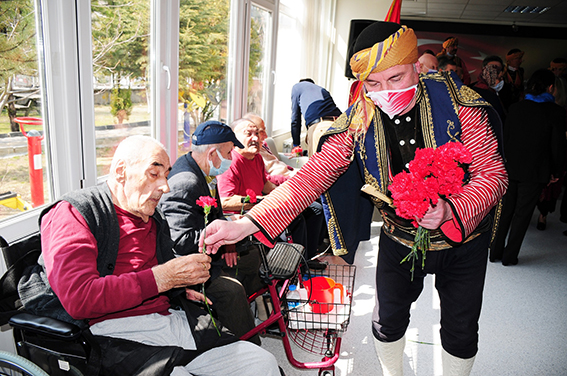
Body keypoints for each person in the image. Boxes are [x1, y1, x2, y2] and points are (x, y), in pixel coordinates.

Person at [202, 21, 507, 376]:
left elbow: (493, 175)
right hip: (400, 238)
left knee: (461, 330)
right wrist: (246, 224)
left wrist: (451, 208)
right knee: (387, 322)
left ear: (417, 68)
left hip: (464, 241)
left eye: (396, 78)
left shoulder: (459, 104)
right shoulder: (359, 117)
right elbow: (312, 176)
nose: (386, 91)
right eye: (373, 83)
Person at [32, 135, 279, 375]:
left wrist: (178, 286)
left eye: (166, 174)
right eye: (154, 173)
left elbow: (151, 267)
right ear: (121, 171)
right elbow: (80, 298)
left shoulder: (150, 215)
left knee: (261, 362)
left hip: (170, 319)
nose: (165, 186)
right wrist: (163, 279)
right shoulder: (74, 213)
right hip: (115, 333)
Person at [158, 120, 261, 345]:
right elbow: (180, 241)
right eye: (228, 152)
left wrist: (231, 240)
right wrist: (224, 241)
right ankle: (248, 345)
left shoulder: (203, 171)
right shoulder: (185, 182)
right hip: (188, 265)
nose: (232, 158)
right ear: (213, 153)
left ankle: (247, 316)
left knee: (253, 255)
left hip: (208, 250)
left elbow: (214, 217)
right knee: (231, 291)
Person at [217, 117, 326, 260]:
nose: (255, 138)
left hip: (261, 206)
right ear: (234, 138)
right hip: (244, 215)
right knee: (295, 220)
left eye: (257, 133)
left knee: (313, 209)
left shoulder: (256, 158)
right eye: (248, 134)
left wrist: (288, 195)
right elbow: (225, 201)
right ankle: (292, 267)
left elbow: (264, 184)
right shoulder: (230, 163)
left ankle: (308, 259)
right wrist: (263, 201)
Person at [490, 69, 566, 265]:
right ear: (551, 87)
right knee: (522, 215)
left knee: (505, 211)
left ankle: (495, 252)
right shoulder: (556, 112)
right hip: (536, 171)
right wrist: (557, 171)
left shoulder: (516, 108)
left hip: (511, 167)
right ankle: (509, 257)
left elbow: (505, 139)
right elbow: (558, 146)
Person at [290, 78, 342, 156]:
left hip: (320, 127)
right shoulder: (323, 90)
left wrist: (296, 146)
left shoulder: (297, 87)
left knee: (316, 166)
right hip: (340, 127)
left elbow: (295, 120)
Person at [243, 112, 296, 185]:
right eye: (261, 132)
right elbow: (265, 179)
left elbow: (275, 162)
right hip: (285, 182)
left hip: (291, 174)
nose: (266, 136)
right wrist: (292, 178)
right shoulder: (251, 155)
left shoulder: (263, 145)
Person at [470, 56, 507, 124]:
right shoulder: (474, 92)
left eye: (498, 70)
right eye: (492, 69)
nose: (496, 73)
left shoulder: (507, 90)